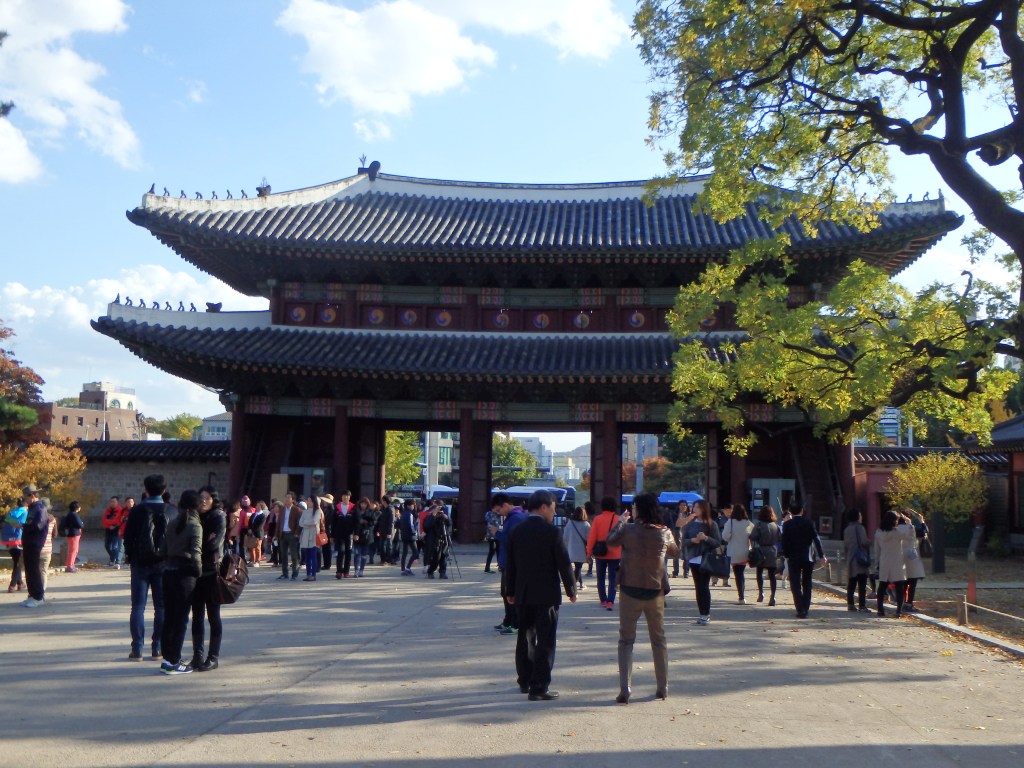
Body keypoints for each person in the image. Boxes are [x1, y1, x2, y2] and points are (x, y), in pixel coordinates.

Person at [607, 492, 679, 703]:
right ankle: (662, 686)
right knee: (658, 640)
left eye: (634, 507)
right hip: (655, 591)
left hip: (630, 590)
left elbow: (610, 542)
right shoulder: (664, 532)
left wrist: (620, 522)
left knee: (626, 640)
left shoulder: (628, 530)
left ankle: (625, 687)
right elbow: (675, 552)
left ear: (639, 509)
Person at [505, 490, 577, 701]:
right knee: (545, 640)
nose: (554, 513)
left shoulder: (517, 531)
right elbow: (564, 564)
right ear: (544, 507)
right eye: (553, 508)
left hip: (523, 594)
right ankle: (539, 686)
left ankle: (525, 680)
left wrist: (510, 591)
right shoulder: (552, 532)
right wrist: (571, 590)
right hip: (546, 595)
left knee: (525, 637)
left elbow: (511, 566)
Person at [123, 475, 170, 659]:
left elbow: (127, 538)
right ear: (164, 491)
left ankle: (137, 648)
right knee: (161, 607)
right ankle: (157, 647)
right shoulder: (171, 511)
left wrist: (130, 555)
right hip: (164, 564)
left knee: (138, 607)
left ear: (146, 489)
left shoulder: (137, 511)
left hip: (140, 563)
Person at [159, 490, 202, 675]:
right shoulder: (195, 525)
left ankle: (168, 657)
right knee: (181, 618)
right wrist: (198, 572)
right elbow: (195, 553)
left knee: (169, 617)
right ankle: (175, 660)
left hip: (168, 570)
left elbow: (163, 549)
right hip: (185, 574)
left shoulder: (173, 522)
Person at [191, 485, 226, 670]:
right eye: (201, 497)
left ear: (214, 500)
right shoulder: (194, 516)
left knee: (213, 615)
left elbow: (214, 544)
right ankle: (197, 655)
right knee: (196, 616)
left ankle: (213, 657)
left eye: (207, 497)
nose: (203, 500)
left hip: (212, 572)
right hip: (196, 572)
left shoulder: (218, 516)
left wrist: (198, 543)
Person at [780, 502, 826, 618]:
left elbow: (784, 542)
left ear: (791, 512)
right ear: (802, 511)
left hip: (793, 557)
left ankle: (800, 609)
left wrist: (786, 555)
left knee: (795, 583)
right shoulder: (809, 523)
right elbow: (816, 540)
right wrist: (822, 555)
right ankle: (806, 607)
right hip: (808, 557)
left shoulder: (787, 525)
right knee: (807, 582)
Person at [681, 499, 721, 625]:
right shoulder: (690, 524)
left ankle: (705, 613)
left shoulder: (711, 524)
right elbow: (683, 541)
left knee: (704, 586)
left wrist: (706, 538)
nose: (694, 509)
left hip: (706, 558)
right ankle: (701, 612)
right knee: (698, 587)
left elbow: (717, 542)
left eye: (697, 507)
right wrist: (693, 540)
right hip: (693, 559)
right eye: (694, 507)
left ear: (703, 509)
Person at [493, 493, 527, 635]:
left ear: (505, 505)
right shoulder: (515, 517)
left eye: (498, 511)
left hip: (512, 562)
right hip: (508, 561)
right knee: (505, 593)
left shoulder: (516, 518)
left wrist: (497, 533)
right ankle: (508, 620)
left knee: (510, 593)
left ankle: (515, 623)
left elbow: (512, 540)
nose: (498, 514)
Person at [873, 509, 914, 618]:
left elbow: (876, 550)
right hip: (897, 562)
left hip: (884, 561)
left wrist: (877, 562)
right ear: (894, 521)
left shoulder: (878, 532)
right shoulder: (897, 533)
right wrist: (909, 525)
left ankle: (880, 610)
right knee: (900, 586)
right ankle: (898, 611)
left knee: (882, 586)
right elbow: (910, 538)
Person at [586, 497, 622, 611]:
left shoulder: (597, 519)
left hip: (600, 553)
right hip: (615, 553)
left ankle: (603, 599)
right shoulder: (619, 519)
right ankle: (611, 601)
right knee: (613, 578)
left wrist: (589, 552)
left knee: (600, 578)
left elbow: (592, 537)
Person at [20, 485, 52, 608]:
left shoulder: (39, 508)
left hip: (35, 543)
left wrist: (23, 526)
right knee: (29, 570)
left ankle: (38, 597)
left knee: (34, 570)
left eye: (26, 497)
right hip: (29, 542)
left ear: (32, 495)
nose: (25, 500)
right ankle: (32, 595)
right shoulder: (32, 508)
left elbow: (38, 525)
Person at [723, 502, 755, 604]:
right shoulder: (748, 523)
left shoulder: (730, 522)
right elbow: (753, 536)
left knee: (738, 574)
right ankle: (742, 594)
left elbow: (725, 537)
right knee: (741, 573)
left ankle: (741, 596)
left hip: (733, 552)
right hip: (745, 552)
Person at [750, 505, 781, 605]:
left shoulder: (758, 525)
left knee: (759, 573)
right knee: (772, 575)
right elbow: (779, 538)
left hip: (761, 550)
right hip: (772, 550)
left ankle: (761, 593)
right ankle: (773, 596)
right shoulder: (775, 525)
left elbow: (753, 536)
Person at [843, 508, 871, 613]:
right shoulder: (860, 528)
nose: (861, 517)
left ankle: (850, 604)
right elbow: (863, 542)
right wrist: (869, 542)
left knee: (851, 584)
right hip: (860, 559)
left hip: (851, 558)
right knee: (862, 584)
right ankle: (862, 605)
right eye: (860, 515)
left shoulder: (846, 529)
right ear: (857, 517)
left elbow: (845, 545)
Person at [901, 508, 927, 613]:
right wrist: (921, 520)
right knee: (912, 583)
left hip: (899, 558)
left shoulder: (895, 529)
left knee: (903, 583)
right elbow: (925, 532)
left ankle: (901, 602)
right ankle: (909, 603)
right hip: (911, 559)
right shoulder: (912, 529)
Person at [562, 506, 591, 592]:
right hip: (581, 550)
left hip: (570, 549)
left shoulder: (570, 523)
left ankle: (581, 584)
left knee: (577, 567)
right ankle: (572, 586)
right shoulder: (586, 525)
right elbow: (589, 538)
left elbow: (565, 537)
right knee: (578, 567)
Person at [3, 493, 28, 593]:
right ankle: (12, 585)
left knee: (16, 561)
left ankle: (20, 583)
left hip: (7, 539)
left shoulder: (11, 512)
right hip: (19, 539)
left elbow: (7, 522)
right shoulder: (25, 512)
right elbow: (22, 525)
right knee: (19, 563)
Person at [276, 492, 302, 580]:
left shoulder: (297, 510)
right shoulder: (282, 509)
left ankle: (295, 573)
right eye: (286, 497)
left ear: (293, 500)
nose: (287, 499)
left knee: (294, 555)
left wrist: (296, 533)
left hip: (292, 534)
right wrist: (276, 534)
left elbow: (299, 523)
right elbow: (279, 523)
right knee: (283, 555)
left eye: (289, 497)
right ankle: (285, 573)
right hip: (283, 534)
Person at [299, 497, 324, 581]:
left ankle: (313, 574)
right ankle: (308, 574)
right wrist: (307, 523)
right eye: (308, 501)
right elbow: (300, 523)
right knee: (307, 557)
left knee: (313, 556)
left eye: (310, 501)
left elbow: (314, 521)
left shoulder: (317, 511)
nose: (308, 502)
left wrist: (306, 523)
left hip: (314, 535)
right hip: (305, 535)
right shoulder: (305, 512)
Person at [424, 501, 451, 579]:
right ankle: (431, 571)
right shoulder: (429, 517)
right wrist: (433, 515)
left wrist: (446, 518)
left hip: (444, 539)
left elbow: (449, 524)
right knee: (436, 557)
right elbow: (427, 527)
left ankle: (443, 572)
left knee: (444, 557)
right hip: (434, 540)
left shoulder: (442, 517)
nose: (438, 511)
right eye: (436, 509)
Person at [101, 495, 125, 568]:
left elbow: (117, 520)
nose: (112, 503)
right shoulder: (108, 510)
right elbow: (104, 520)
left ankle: (113, 560)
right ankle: (113, 558)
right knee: (107, 545)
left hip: (116, 530)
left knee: (115, 546)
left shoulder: (120, 510)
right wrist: (109, 524)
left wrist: (111, 523)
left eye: (114, 501)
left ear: (117, 502)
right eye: (111, 501)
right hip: (108, 530)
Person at [62, 500, 85, 572]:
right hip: (74, 534)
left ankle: (72, 564)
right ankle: (69, 566)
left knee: (74, 550)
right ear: (77, 507)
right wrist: (82, 523)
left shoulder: (70, 514)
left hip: (71, 534)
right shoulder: (74, 515)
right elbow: (80, 525)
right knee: (73, 550)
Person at [398, 499, 419, 576]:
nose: (413, 506)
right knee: (415, 552)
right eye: (412, 505)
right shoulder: (410, 514)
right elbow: (411, 525)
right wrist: (415, 533)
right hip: (410, 535)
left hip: (404, 535)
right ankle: (408, 568)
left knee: (404, 553)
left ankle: (403, 569)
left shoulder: (403, 513)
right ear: (408, 505)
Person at [484, 504, 501, 574]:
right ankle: (487, 568)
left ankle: (500, 565)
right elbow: (490, 523)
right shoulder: (489, 514)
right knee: (492, 551)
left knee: (498, 550)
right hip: (492, 536)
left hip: (496, 535)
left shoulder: (496, 514)